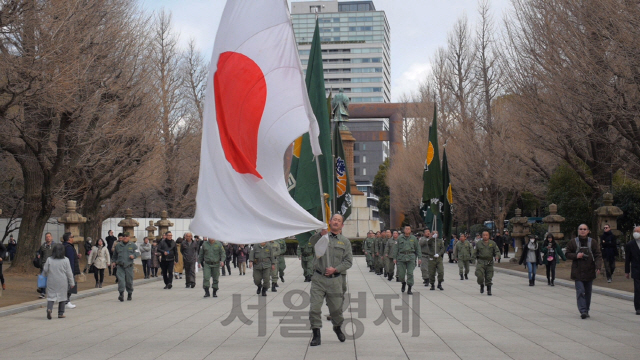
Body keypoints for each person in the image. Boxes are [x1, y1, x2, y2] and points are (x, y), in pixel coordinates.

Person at [309, 214, 353, 347]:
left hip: (335, 281)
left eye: (339, 221)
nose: (336, 222)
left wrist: (336, 269)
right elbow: (311, 243)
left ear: (342, 225)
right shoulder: (322, 237)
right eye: (334, 219)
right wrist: (320, 234)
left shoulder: (345, 242)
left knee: (336, 310)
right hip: (319, 279)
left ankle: (337, 327)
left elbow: (348, 261)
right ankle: (316, 334)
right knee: (314, 308)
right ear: (329, 222)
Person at [565, 224, 602, 319]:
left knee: (588, 292)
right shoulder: (573, 242)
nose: (583, 231)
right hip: (577, 271)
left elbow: (598, 255)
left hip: (589, 270)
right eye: (581, 229)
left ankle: (587, 309)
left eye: (585, 229)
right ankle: (583, 310)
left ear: (588, 231)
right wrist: (576, 256)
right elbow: (567, 254)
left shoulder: (593, 242)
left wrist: (598, 266)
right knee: (580, 291)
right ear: (578, 231)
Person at [43, 243, 75, 319]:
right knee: (62, 296)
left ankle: (49, 309)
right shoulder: (66, 260)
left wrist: (44, 276)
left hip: (51, 280)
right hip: (62, 281)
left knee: (51, 296)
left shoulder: (49, 259)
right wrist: (72, 282)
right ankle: (60, 313)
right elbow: (69, 272)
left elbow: (45, 270)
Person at [393, 225, 421, 295]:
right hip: (401, 257)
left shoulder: (414, 238)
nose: (407, 230)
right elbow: (396, 248)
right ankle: (403, 283)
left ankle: (409, 288)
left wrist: (419, 258)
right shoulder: (399, 238)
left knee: (410, 273)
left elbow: (418, 248)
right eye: (406, 229)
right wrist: (394, 258)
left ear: (411, 230)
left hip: (411, 257)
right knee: (401, 274)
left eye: (409, 229)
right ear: (404, 230)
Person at [111, 232, 138, 301]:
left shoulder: (133, 245)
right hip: (120, 266)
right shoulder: (118, 245)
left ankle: (129, 293)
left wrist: (134, 256)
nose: (125, 237)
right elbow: (114, 255)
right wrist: (113, 262)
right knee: (121, 280)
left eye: (127, 236)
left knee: (129, 281)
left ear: (129, 237)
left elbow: (137, 252)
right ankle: (121, 294)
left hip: (129, 266)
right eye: (124, 236)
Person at [475, 231, 500, 295]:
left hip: (489, 262)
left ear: (489, 236)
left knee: (489, 277)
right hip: (481, 261)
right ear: (482, 236)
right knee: (479, 275)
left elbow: (497, 251)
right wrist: (472, 259)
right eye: (484, 235)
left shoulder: (493, 243)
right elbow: (474, 252)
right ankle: (481, 284)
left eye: (486, 235)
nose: (485, 236)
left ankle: (489, 289)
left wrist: (497, 256)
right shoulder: (479, 243)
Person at [624, 226, 640, 315]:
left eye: (638, 231)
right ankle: (638, 307)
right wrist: (627, 271)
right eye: (635, 231)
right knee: (637, 289)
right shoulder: (630, 244)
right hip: (636, 269)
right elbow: (627, 259)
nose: (636, 233)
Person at [62, 232, 81, 308]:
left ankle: (65, 301)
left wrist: (76, 256)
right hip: (69, 270)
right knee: (70, 286)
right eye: (72, 237)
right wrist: (72, 271)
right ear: (69, 238)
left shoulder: (64, 246)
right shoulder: (68, 247)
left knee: (67, 286)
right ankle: (67, 301)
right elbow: (70, 260)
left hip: (65, 269)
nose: (73, 238)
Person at [37, 232, 55, 297]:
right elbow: (38, 252)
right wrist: (38, 255)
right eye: (47, 237)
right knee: (43, 278)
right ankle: (42, 292)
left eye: (49, 236)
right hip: (44, 265)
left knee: (52, 279)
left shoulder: (55, 246)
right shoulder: (43, 246)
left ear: (51, 237)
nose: (48, 238)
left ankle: (53, 292)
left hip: (52, 265)